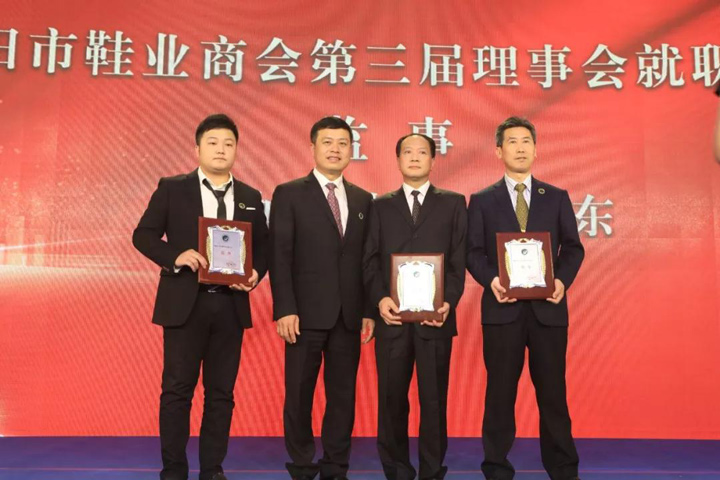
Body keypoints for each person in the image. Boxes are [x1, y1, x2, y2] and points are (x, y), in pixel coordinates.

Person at [132, 113, 268, 480]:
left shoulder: (251, 197)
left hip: (230, 305)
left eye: (228, 144)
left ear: (237, 150)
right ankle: (174, 470)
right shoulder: (172, 188)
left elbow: (264, 247)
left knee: (221, 393)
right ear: (197, 149)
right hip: (185, 304)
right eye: (213, 143)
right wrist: (175, 256)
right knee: (177, 391)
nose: (221, 149)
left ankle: (212, 469)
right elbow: (143, 235)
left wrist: (255, 273)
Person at [466, 117, 584, 480]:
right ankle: (496, 468)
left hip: (549, 311)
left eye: (526, 142)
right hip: (502, 311)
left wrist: (561, 281)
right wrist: (492, 281)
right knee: (500, 394)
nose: (520, 148)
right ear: (498, 151)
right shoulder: (482, 201)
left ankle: (563, 469)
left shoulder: (556, 197)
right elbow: (472, 252)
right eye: (512, 142)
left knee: (553, 393)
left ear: (536, 149)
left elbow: (573, 249)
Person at [269, 116, 375, 480]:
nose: (335, 149)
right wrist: (285, 308)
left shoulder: (363, 199)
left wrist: (368, 310)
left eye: (343, 143)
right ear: (313, 147)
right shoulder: (289, 193)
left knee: (342, 396)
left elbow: (367, 260)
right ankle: (301, 464)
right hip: (303, 315)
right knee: (299, 394)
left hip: (348, 315)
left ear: (351, 150)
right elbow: (279, 255)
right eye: (328, 142)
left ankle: (335, 466)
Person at [363, 133, 467, 480]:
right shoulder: (380, 205)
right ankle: (396, 469)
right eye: (407, 152)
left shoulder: (453, 203)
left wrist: (448, 301)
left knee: (434, 400)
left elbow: (458, 261)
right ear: (398, 160)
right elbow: (369, 259)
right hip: (392, 320)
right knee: (391, 399)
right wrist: (380, 298)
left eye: (422, 152)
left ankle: (432, 470)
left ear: (433, 160)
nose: (415, 157)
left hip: (435, 320)